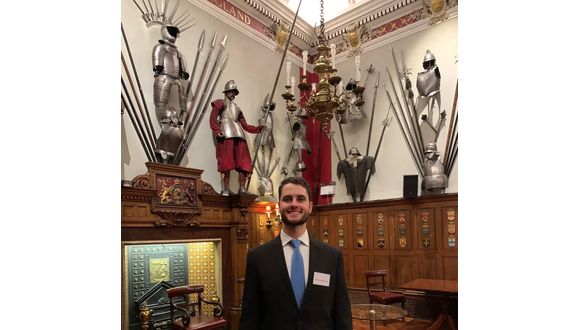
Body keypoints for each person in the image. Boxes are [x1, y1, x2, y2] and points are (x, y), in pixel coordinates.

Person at [240, 176, 352, 330]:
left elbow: (342, 316)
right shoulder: (257, 258)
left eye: (300, 199)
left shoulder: (332, 257)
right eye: (287, 199)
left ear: (310, 206)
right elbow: (249, 318)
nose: (294, 204)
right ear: (279, 206)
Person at [209, 80, 263, 195]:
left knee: (243, 162)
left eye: (235, 92)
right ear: (227, 91)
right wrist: (217, 130)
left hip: (239, 134)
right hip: (226, 133)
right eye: (231, 91)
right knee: (226, 162)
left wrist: (258, 129)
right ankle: (226, 189)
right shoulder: (220, 103)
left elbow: (245, 125)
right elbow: (213, 118)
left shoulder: (237, 108)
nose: (233, 94)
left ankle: (242, 188)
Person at [152, 24, 189, 163]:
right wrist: (157, 67)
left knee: (183, 106)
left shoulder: (178, 53)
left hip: (177, 80)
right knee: (160, 102)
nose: (173, 34)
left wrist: (184, 71)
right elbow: (157, 59)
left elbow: (184, 67)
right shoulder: (160, 47)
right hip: (164, 77)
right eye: (171, 31)